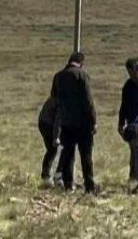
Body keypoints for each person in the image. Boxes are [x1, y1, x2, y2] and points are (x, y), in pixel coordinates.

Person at [50, 51, 96, 193]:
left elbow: (54, 97)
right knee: (86, 156)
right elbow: (88, 101)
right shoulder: (82, 76)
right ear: (81, 63)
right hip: (82, 124)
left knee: (68, 154)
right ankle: (89, 186)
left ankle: (68, 185)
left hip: (66, 123)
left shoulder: (58, 76)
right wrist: (93, 121)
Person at [37, 94, 60, 186]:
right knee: (52, 149)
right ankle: (46, 176)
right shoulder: (63, 98)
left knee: (52, 150)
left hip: (45, 120)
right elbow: (58, 120)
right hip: (46, 123)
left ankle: (50, 175)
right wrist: (56, 137)